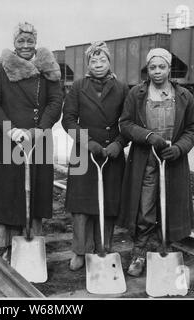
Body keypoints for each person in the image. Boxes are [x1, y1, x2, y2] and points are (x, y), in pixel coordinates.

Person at [118, 48, 194, 277]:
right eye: (153, 67)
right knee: (145, 208)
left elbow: (193, 128)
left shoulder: (184, 95)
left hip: (172, 161)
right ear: (148, 69)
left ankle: (166, 248)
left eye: (161, 67)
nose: (157, 72)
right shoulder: (137, 94)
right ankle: (139, 253)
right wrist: (147, 136)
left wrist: (179, 148)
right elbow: (125, 124)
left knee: (170, 205)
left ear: (169, 68)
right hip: (146, 160)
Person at [0, 22, 63, 260]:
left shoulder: (48, 68)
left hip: (39, 138)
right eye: (20, 41)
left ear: (35, 42)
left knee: (37, 188)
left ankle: (32, 235)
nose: (25, 45)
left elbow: (55, 101)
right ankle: (8, 242)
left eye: (29, 41)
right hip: (9, 140)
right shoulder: (2, 70)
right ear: (14, 43)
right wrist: (10, 130)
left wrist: (40, 129)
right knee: (9, 189)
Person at [62, 41, 129, 271]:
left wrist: (119, 144)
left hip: (111, 154)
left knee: (108, 202)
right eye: (94, 60)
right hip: (84, 153)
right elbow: (68, 120)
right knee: (81, 203)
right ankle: (80, 251)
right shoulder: (78, 86)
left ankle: (104, 246)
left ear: (109, 62)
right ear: (88, 63)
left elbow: (128, 122)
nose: (98, 64)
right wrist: (86, 141)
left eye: (103, 60)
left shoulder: (121, 88)